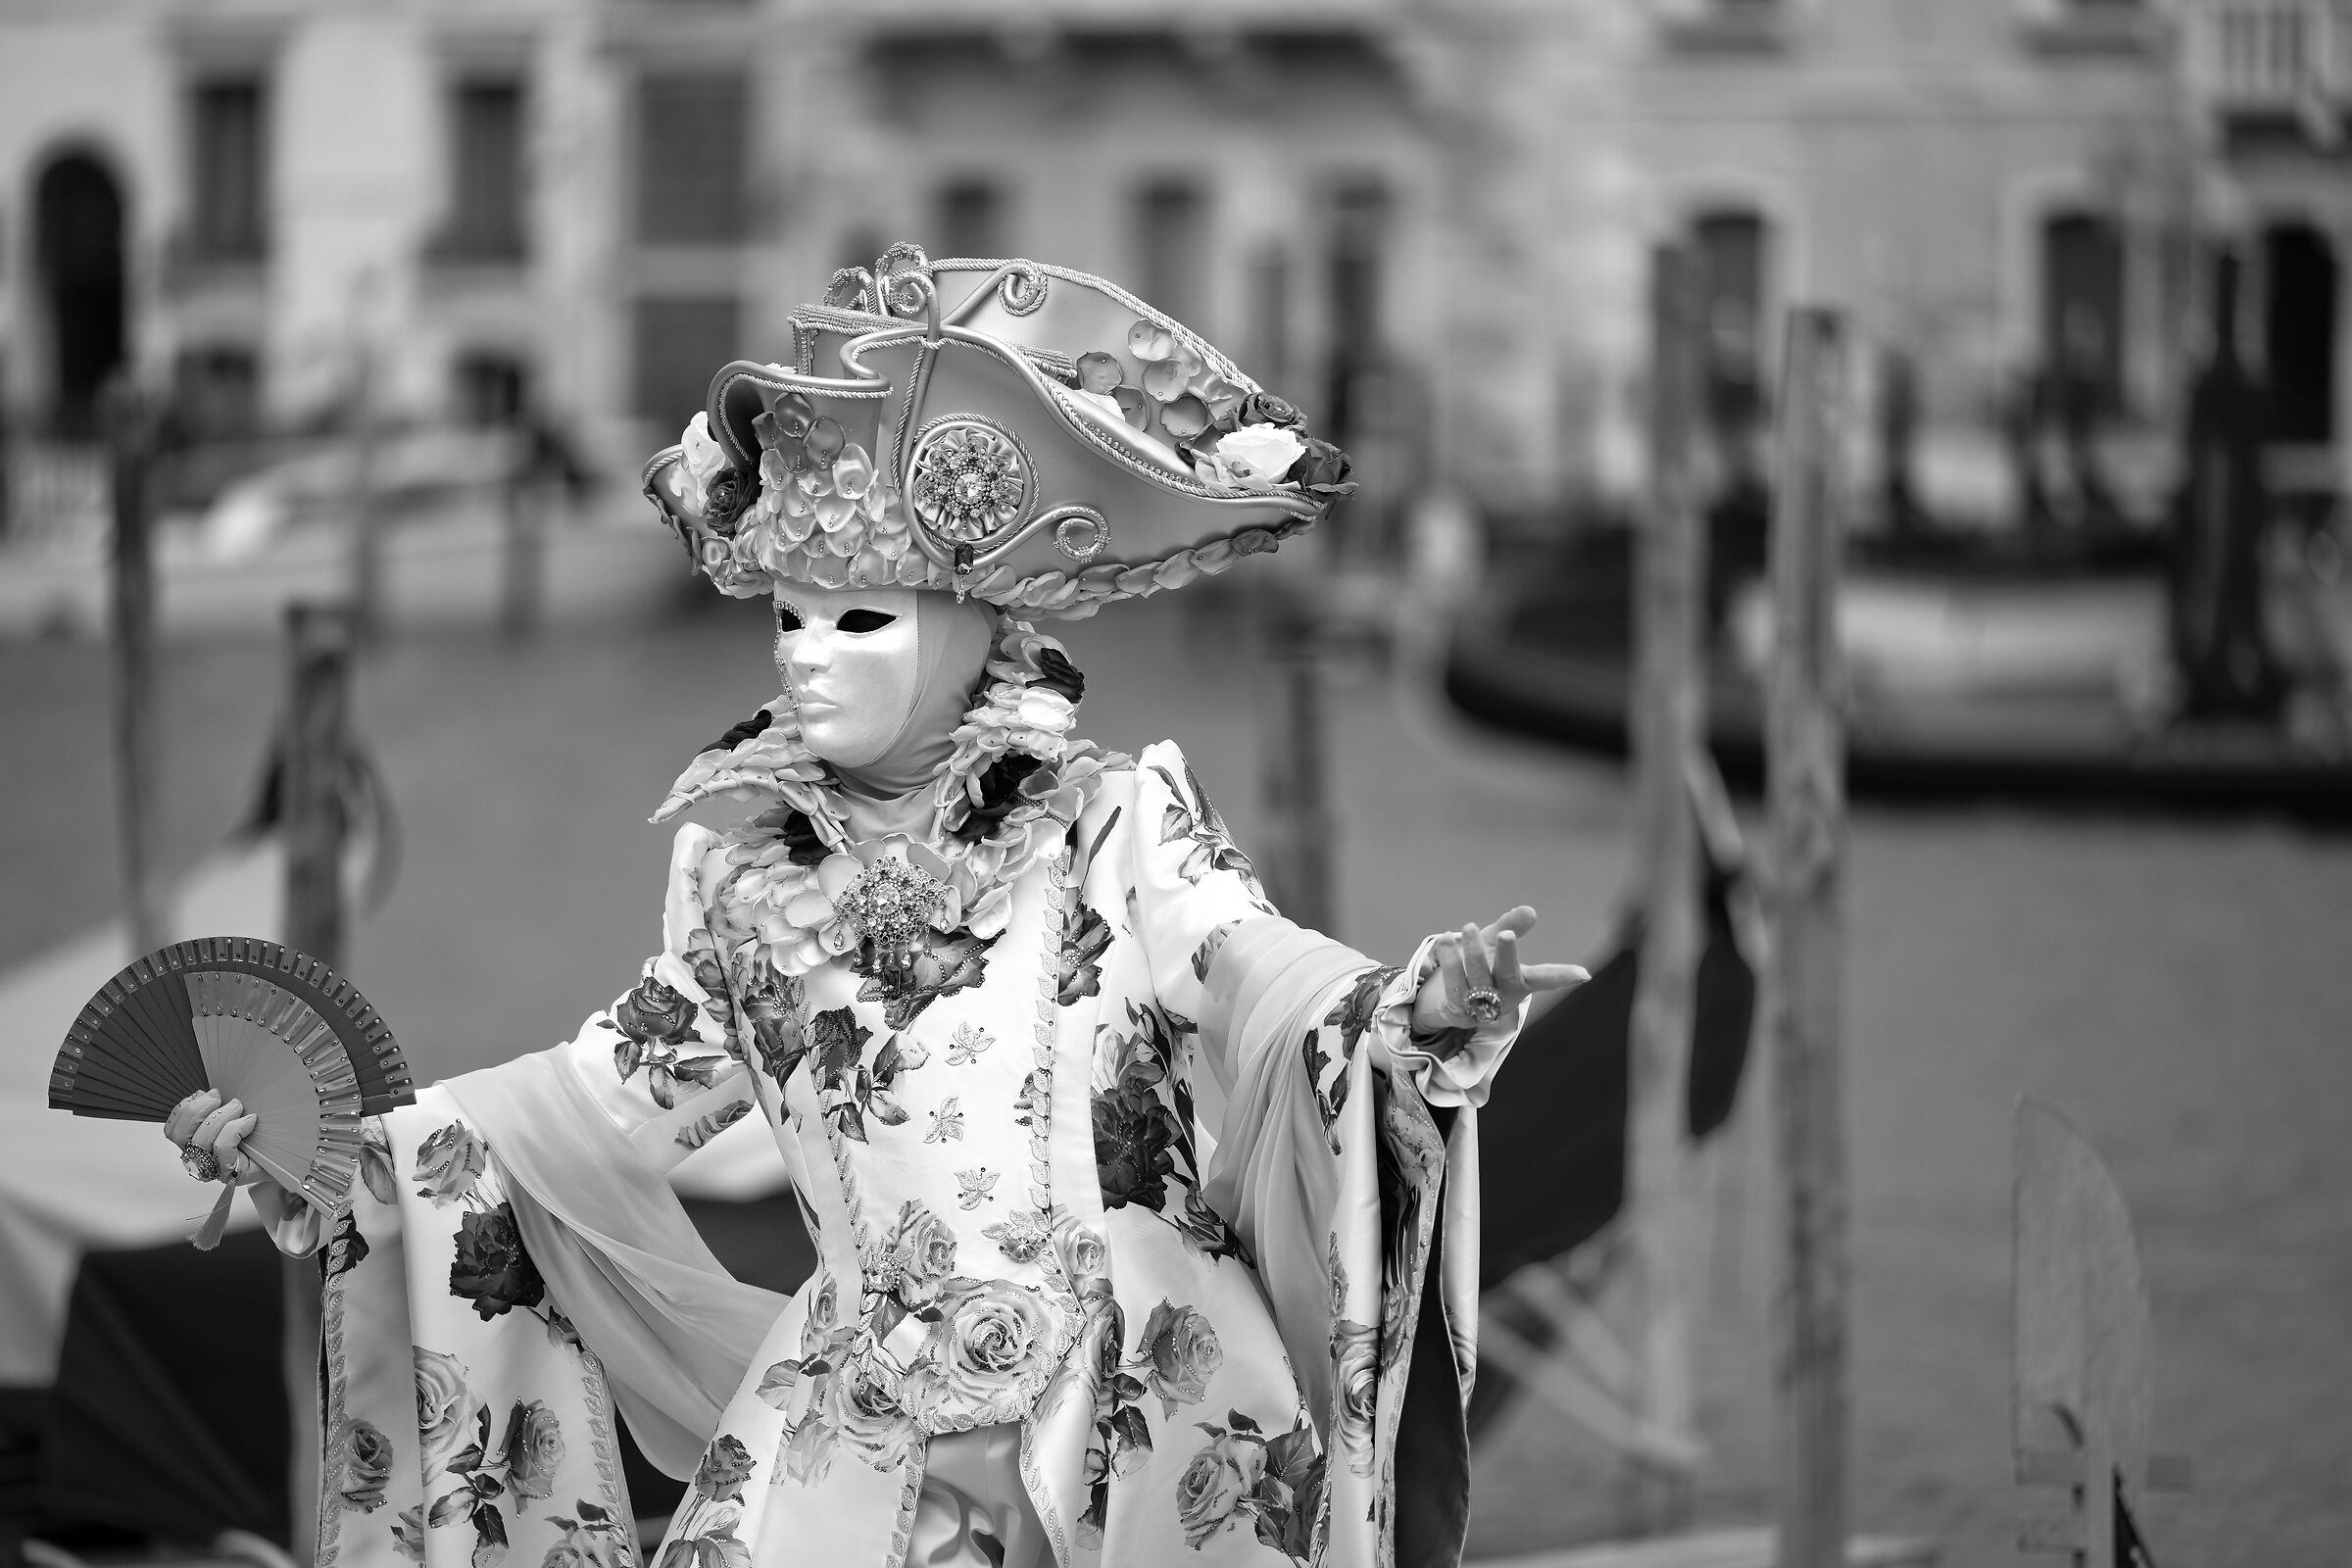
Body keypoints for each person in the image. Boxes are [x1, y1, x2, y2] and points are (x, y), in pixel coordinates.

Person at [165, 246, 1585, 1568]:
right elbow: (595, 1103)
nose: (812, 661)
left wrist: (1412, 1010)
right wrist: (330, 1151)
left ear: (972, 627)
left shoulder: (1112, 828)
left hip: (1139, 1412)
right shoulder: (742, 881)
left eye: (862, 621)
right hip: (857, 1426)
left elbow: (1261, 977)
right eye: (788, 617)